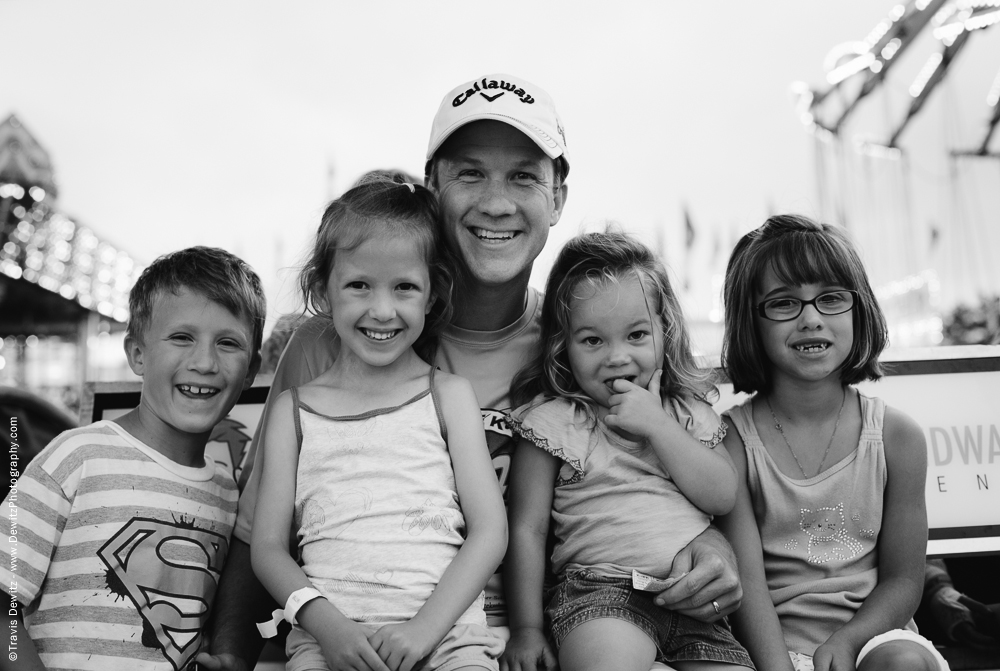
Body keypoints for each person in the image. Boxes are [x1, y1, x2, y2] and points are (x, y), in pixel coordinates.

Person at [202, 73, 742, 671]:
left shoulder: (585, 347)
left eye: (522, 176)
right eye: (469, 173)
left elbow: (661, 476)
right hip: (351, 637)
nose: (495, 202)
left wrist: (707, 543)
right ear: (432, 189)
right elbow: (258, 535)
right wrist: (229, 653)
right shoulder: (330, 345)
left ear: (558, 196)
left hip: (546, 640)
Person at [251, 179, 507, 671]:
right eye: (359, 285)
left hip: (447, 636)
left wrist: (423, 631)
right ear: (322, 287)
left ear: (433, 293)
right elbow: (266, 548)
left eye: (405, 287)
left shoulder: (449, 397)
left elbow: (490, 531)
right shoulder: (293, 411)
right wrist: (329, 628)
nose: (382, 310)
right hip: (327, 642)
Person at [0, 246, 266, 671]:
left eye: (228, 343)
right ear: (137, 353)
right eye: (182, 337)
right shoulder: (75, 458)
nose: (204, 362)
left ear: (251, 371)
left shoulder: (230, 496)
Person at [502, 231, 754, 671]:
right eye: (593, 341)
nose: (617, 357)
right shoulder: (554, 423)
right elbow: (527, 529)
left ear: (665, 330)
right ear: (563, 346)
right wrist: (526, 628)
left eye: (636, 335)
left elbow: (721, 496)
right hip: (601, 595)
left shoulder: (686, 415)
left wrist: (658, 425)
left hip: (693, 605)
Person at [716, 215, 948, 671]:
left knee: (903, 663)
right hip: (765, 647)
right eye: (783, 304)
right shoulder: (733, 443)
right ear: (751, 320)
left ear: (858, 310)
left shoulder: (897, 438)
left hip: (874, 638)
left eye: (831, 299)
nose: (810, 319)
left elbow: (903, 580)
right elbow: (749, 584)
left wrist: (848, 641)